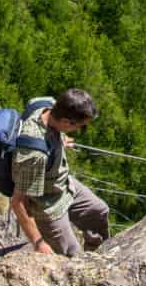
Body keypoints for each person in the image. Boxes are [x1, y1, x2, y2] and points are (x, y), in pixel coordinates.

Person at [8, 89, 110, 257]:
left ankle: (96, 254)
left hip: (64, 185)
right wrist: (38, 242)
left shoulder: (44, 103)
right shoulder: (35, 154)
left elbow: (46, 123)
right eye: (80, 126)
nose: (81, 129)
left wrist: (60, 139)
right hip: (48, 206)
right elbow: (18, 202)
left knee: (99, 211)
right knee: (73, 254)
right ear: (65, 121)